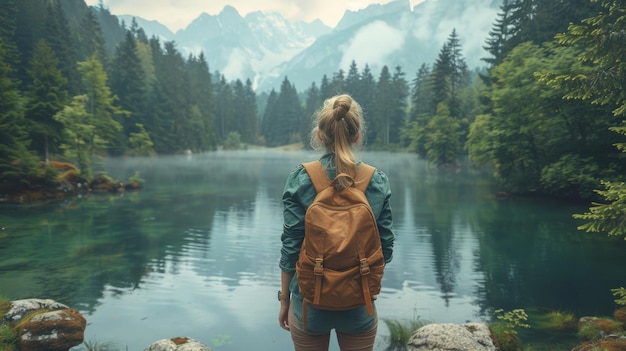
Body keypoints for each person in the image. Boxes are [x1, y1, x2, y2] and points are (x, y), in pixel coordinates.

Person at [278, 94, 395, 351]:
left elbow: (291, 247)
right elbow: (385, 247)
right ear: (357, 136)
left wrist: (284, 299)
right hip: (358, 303)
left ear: (320, 135)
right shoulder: (376, 181)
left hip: (308, 303)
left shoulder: (300, 179)